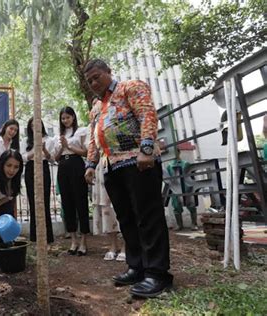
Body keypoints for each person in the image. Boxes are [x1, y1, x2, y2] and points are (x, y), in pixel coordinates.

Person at [84, 59, 172, 298]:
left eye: (96, 76)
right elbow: (94, 138)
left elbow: (147, 115)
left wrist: (146, 148)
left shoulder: (130, 87)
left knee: (148, 216)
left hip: (138, 161)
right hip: (112, 166)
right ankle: (137, 266)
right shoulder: (95, 107)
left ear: (108, 72)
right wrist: (90, 164)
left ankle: (157, 274)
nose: (93, 82)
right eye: (89, 80)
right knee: (126, 219)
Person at [53, 106, 90, 256]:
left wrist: (69, 147)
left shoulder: (81, 131)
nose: (65, 120)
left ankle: (84, 241)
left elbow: (86, 152)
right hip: (62, 167)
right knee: (67, 203)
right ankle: (73, 240)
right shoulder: (58, 136)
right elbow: (55, 158)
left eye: (68, 117)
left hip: (77, 165)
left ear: (73, 117)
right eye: (63, 118)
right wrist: (62, 148)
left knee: (80, 202)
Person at [22, 117, 54, 243]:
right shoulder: (25, 141)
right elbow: (23, 157)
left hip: (44, 167)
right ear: (30, 128)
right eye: (32, 125)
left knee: (45, 201)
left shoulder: (49, 139)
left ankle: (48, 236)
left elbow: (52, 159)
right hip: (30, 168)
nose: (36, 127)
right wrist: (35, 149)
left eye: (38, 124)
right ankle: (35, 237)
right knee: (32, 201)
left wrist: (44, 149)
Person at [92, 162, 126, 262]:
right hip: (103, 166)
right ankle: (113, 245)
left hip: (122, 162)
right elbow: (92, 150)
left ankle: (126, 246)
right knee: (106, 208)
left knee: (124, 205)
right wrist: (89, 166)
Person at [167, 148, 198, 231]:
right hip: (175, 189)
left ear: (179, 152)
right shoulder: (169, 166)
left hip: (186, 187)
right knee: (176, 207)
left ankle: (194, 223)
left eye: (176, 152)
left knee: (191, 205)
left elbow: (192, 176)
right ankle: (179, 225)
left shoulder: (185, 164)